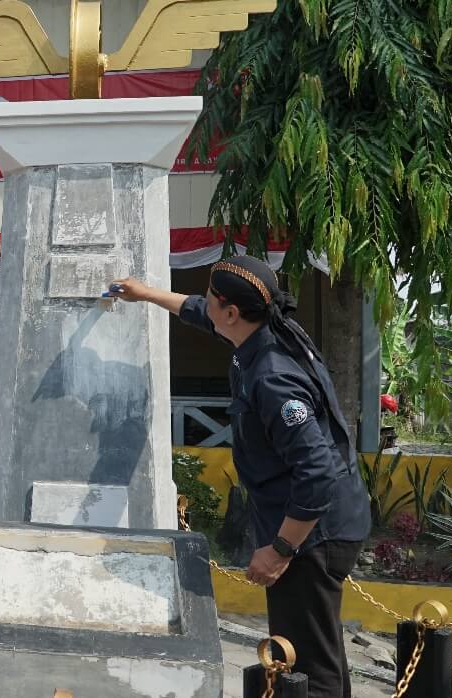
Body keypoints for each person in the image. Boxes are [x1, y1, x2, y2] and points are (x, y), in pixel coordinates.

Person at [111, 256, 370, 698]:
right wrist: (144, 293)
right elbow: (196, 310)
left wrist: (281, 549)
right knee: (319, 649)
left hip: (313, 536)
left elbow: (318, 472)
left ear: (232, 312)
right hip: (320, 526)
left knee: (305, 668)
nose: (204, 300)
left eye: (213, 296)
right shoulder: (260, 333)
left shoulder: (272, 378)